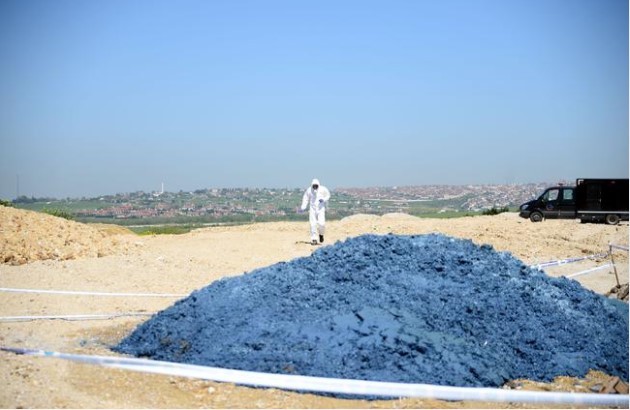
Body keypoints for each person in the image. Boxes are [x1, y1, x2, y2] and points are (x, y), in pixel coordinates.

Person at [300, 178, 331, 245]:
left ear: (318, 185)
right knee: (312, 224)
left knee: (321, 223)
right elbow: (305, 198)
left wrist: (324, 199)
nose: (315, 187)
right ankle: (314, 239)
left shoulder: (323, 189)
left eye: (316, 186)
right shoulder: (309, 190)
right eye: (314, 186)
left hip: (321, 209)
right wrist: (303, 206)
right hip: (312, 209)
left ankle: (321, 234)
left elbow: (328, 195)